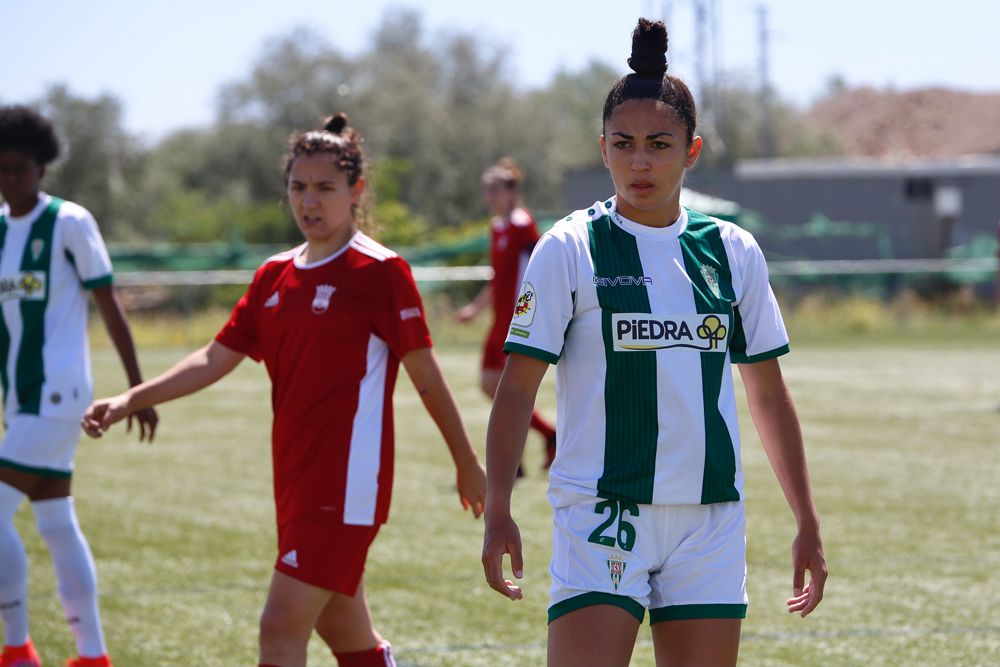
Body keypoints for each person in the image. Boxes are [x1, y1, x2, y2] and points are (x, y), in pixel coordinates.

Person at [481, 18, 827, 667]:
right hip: (602, 511)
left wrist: (806, 517)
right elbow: (517, 386)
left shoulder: (733, 251)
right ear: (603, 147)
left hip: (709, 521)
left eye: (660, 144)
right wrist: (497, 505)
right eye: (624, 143)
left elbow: (768, 396)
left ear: (692, 150)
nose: (640, 160)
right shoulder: (568, 248)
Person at [82, 113, 486, 667]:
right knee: (344, 629)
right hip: (294, 479)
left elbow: (426, 375)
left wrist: (466, 460)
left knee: (279, 627)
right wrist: (132, 398)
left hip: (346, 485)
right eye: (298, 187)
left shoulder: (380, 271)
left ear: (356, 191)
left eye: (325, 187)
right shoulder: (274, 275)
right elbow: (212, 358)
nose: (309, 201)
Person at [0, 105, 158, 667]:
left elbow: (108, 303)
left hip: (60, 394)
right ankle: (92, 656)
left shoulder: (69, 222)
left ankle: (16, 647)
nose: (10, 178)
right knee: (55, 520)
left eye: (20, 168)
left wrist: (139, 391)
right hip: (22, 402)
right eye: (1, 168)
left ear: (42, 168)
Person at [457, 158, 556, 471]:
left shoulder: (522, 226)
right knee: (490, 385)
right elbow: (498, 277)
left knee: (508, 390)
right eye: (487, 190)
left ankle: (517, 463)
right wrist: (475, 307)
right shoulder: (497, 227)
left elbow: (538, 272)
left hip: (515, 321)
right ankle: (548, 434)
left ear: (511, 192)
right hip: (498, 320)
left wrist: (531, 315)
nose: (489, 196)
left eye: (494, 190)